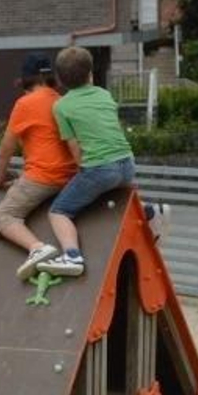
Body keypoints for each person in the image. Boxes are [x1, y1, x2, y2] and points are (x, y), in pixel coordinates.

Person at [0, 52, 80, 280]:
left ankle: (36, 248)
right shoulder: (62, 100)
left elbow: (6, 148)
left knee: (4, 216)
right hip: (71, 177)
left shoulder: (25, 103)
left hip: (44, 178)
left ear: (26, 80)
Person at [39, 46, 137, 278]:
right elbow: (113, 128)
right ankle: (150, 211)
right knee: (119, 195)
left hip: (100, 169)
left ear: (60, 80)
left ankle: (72, 256)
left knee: (59, 211)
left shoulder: (61, 106)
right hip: (128, 162)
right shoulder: (105, 94)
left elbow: (74, 146)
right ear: (91, 74)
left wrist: (82, 171)